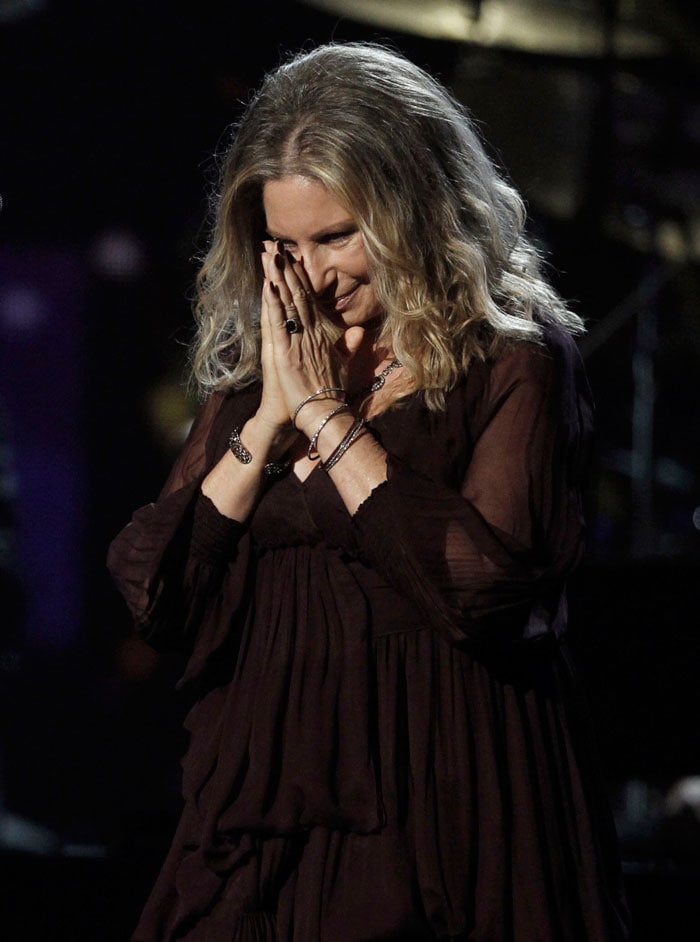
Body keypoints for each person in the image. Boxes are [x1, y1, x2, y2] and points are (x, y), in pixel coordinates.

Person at [107, 40, 630, 941]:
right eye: (286, 245)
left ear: (416, 211)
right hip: (267, 806)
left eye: (339, 235)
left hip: (446, 795)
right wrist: (272, 415)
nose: (313, 275)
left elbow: (477, 584)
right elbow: (157, 592)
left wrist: (326, 417)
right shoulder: (260, 379)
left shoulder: (513, 361)